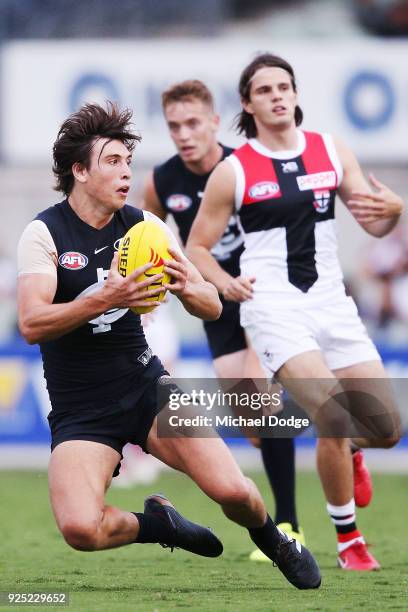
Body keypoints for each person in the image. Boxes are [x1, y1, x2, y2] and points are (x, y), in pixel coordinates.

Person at [16, 101, 321, 590]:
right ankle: (161, 524)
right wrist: (105, 298)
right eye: (112, 162)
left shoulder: (146, 228)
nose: (125, 174)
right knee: (79, 529)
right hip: (80, 408)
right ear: (79, 170)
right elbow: (31, 323)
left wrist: (187, 287)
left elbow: (212, 306)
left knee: (233, 492)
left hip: (147, 387)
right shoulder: (44, 233)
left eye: (128, 163)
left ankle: (276, 539)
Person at [187, 54, 402, 571]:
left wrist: (394, 212)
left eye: (285, 86)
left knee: (388, 428)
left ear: (297, 94)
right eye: (265, 90)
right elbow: (197, 247)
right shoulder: (233, 171)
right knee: (330, 412)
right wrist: (224, 280)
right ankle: (349, 541)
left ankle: (350, 450)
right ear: (248, 103)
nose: (278, 95)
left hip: (332, 303)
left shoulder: (330, 150)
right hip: (274, 309)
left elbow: (373, 224)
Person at [142, 79, 304, 559]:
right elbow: (147, 237)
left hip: (262, 293)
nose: (184, 134)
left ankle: (289, 524)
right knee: (254, 423)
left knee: (260, 392)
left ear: (214, 122)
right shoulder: (161, 182)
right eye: (174, 126)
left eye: (193, 123)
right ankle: (328, 422)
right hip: (215, 304)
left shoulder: (246, 167)